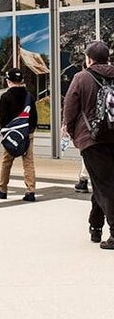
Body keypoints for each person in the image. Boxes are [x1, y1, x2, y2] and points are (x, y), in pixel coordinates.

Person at [63, 40, 114, 249]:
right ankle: (95, 226)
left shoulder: (81, 78)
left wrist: (71, 130)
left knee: (104, 185)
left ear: (89, 58)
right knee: (101, 183)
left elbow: (70, 107)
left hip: (92, 139)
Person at [0, 68, 38, 202]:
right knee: (28, 162)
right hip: (27, 134)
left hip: (12, 135)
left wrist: (5, 134)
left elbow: (3, 119)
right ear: (21, 81)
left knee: (6, 162)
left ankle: (2, 189)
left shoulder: (5, 97)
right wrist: (30, 132)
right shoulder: (29, 96)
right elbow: (34, 117)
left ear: (8, 81)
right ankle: (30, 191)